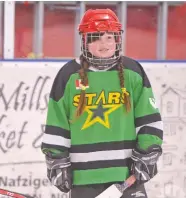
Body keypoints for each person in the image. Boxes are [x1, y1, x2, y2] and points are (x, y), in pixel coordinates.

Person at [41, 9, 163, 198]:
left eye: (109, 37)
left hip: (125, 176)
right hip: (83, 179)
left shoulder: (133, 72)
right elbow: (57, 124)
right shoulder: (68, 75)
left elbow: (149, 120)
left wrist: (147, 154)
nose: (103, 44)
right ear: (85, 42)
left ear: (117, 39)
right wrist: (57, 160)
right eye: (96, 38)